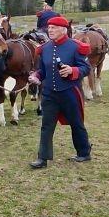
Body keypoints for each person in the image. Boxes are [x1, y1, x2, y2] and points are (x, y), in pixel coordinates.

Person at [27, 15, 92, 168]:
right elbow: (42, 71)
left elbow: (86, 68)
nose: (50, 30)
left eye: (54, 28)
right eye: (49, 28)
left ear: (63, 30)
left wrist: (72, 70)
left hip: (70, 93)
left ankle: (84, 153)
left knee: (77, 123)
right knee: (46, 125)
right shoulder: (44, 48)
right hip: (49, 93)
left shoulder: (75, 47)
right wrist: (36, 76)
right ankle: (42, 159)